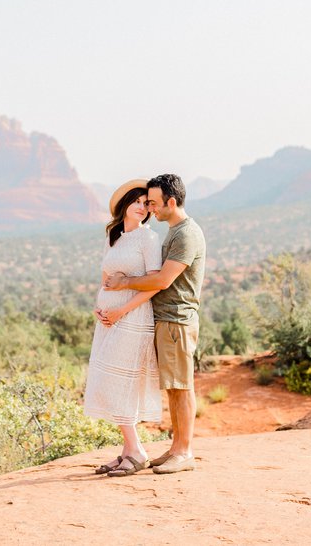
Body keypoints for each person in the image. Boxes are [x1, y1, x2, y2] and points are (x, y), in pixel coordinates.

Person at [104, 173, 205, 474]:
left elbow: (163, 279)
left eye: (154, 203)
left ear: (171, 202)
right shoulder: (175, 231)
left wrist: (124, 283)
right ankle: (176, 449)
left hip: (177, 321)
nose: (150, 209)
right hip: (168, 320)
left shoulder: (186, 234)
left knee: (181, 387)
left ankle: (184, 452)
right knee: (174, 387)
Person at [83, 179, 163, 477]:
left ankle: (137, 450)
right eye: (138, 202)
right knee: (104, 379)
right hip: (108, 317)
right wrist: (100, 306)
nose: (142, 208)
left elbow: (154, 284)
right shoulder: (114, 236)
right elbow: (105, 277)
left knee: (118, 383)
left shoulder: (148, 239)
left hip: (133, 317)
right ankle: (129, 450)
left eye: (147, 204)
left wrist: (120, 311)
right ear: (125, 203)